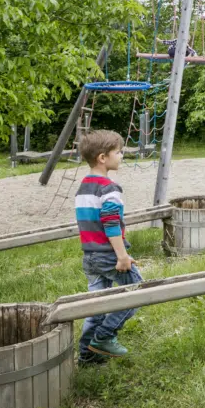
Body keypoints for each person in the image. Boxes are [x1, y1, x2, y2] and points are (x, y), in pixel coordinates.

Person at [74, 130, 142, 364]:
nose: (122, 155)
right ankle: (103, 337)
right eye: (118, 151)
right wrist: (122, 256)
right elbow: (111, 224)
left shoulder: (84, 186)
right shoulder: (109, 188)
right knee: (136, 292)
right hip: (109, 255)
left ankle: (87, 355)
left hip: (90, 256)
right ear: (103, 158)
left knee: (98, 306)